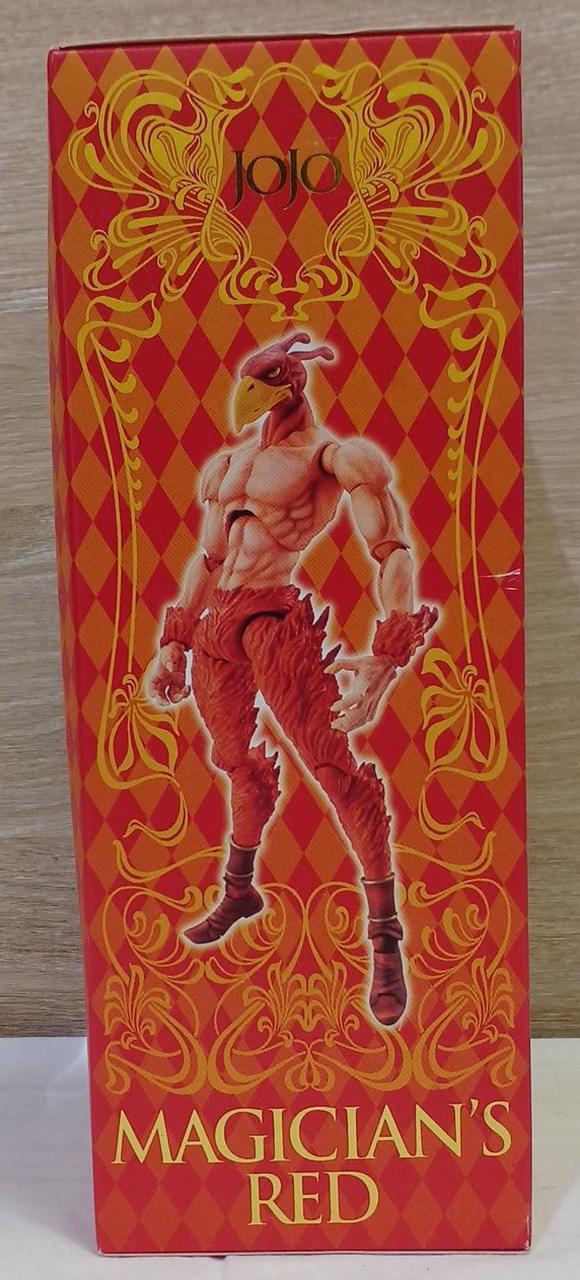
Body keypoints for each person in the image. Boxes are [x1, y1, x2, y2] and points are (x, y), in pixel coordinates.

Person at [149, 332, 436, 1026]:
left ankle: (385, 938)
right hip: (216, 625)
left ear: (295, 384)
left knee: (334, 770)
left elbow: (391, 548)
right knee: (236, 763)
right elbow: (208, 559)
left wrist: (388, 649)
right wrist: (174, 641)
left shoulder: (334, 458)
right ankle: (240, 888)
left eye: (271, 380)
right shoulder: (228, 465)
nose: (253, 395)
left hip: (273, 620)